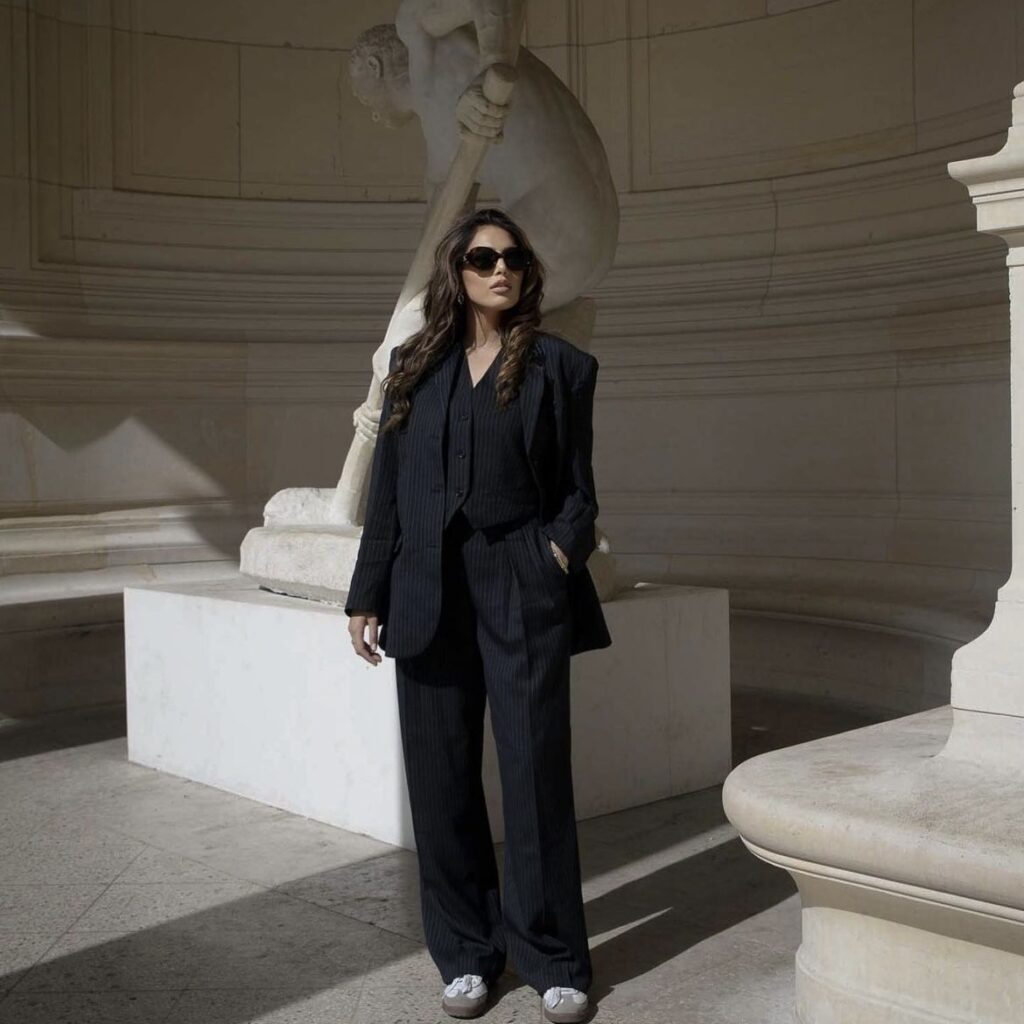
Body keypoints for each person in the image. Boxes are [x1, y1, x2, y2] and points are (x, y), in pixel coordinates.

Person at [345, 206, 611, 1022]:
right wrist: (367, 592)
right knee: (441, 780)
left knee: (535, 775)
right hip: (425, 588)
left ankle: (552, 956)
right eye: (484, 257)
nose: (503, 270)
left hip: (520, 583)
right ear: (455, 271)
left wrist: (555, 555)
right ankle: (465, 952)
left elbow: (577, 491)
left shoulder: (562, 367)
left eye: (515, 258)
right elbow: (387, 494)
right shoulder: (410, 367)